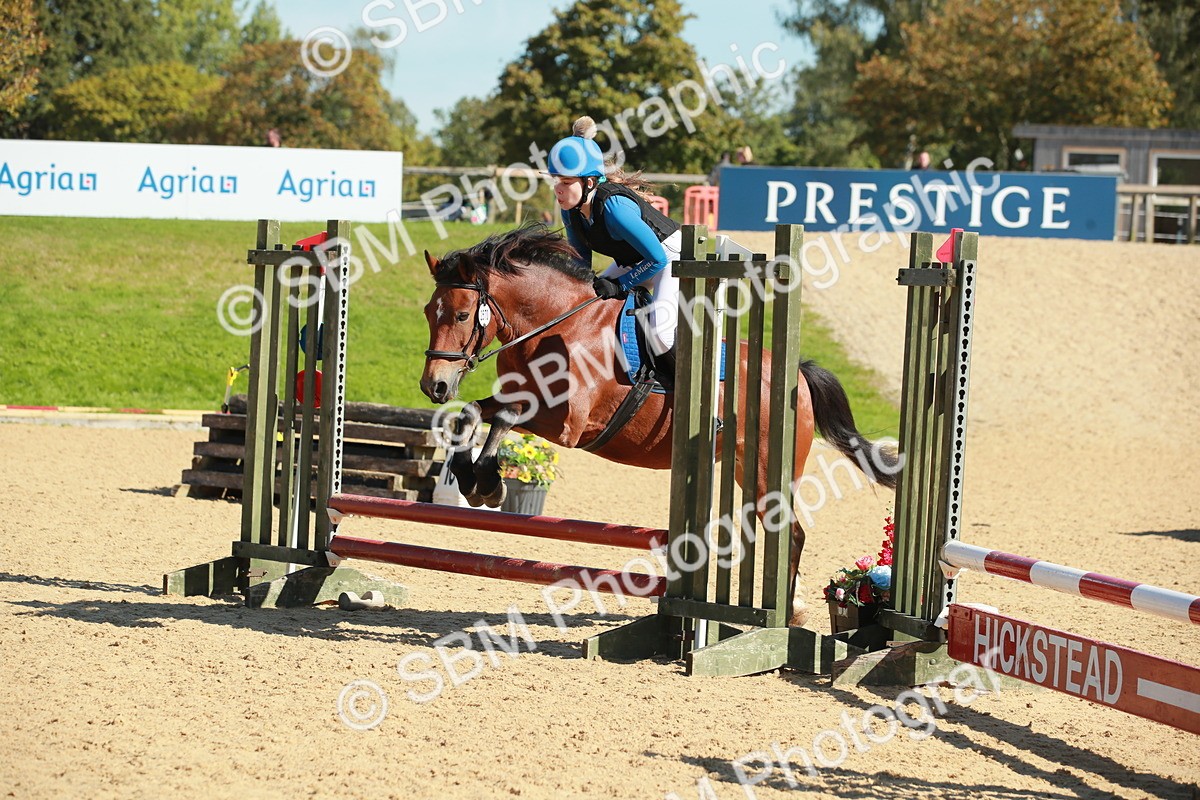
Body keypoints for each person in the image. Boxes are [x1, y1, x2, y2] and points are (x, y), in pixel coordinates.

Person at [547, 115, 682, 381]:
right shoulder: (572, 212)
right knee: (590, 302)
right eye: (556, 181)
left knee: (661, 335)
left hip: (671, 257)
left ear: (588, 182)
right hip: (635, 260)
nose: (558, 189)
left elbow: (656, 259)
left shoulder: (614, 209)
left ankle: (690, 395)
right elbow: (581, 264)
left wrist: (619, 287)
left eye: (565, 182)